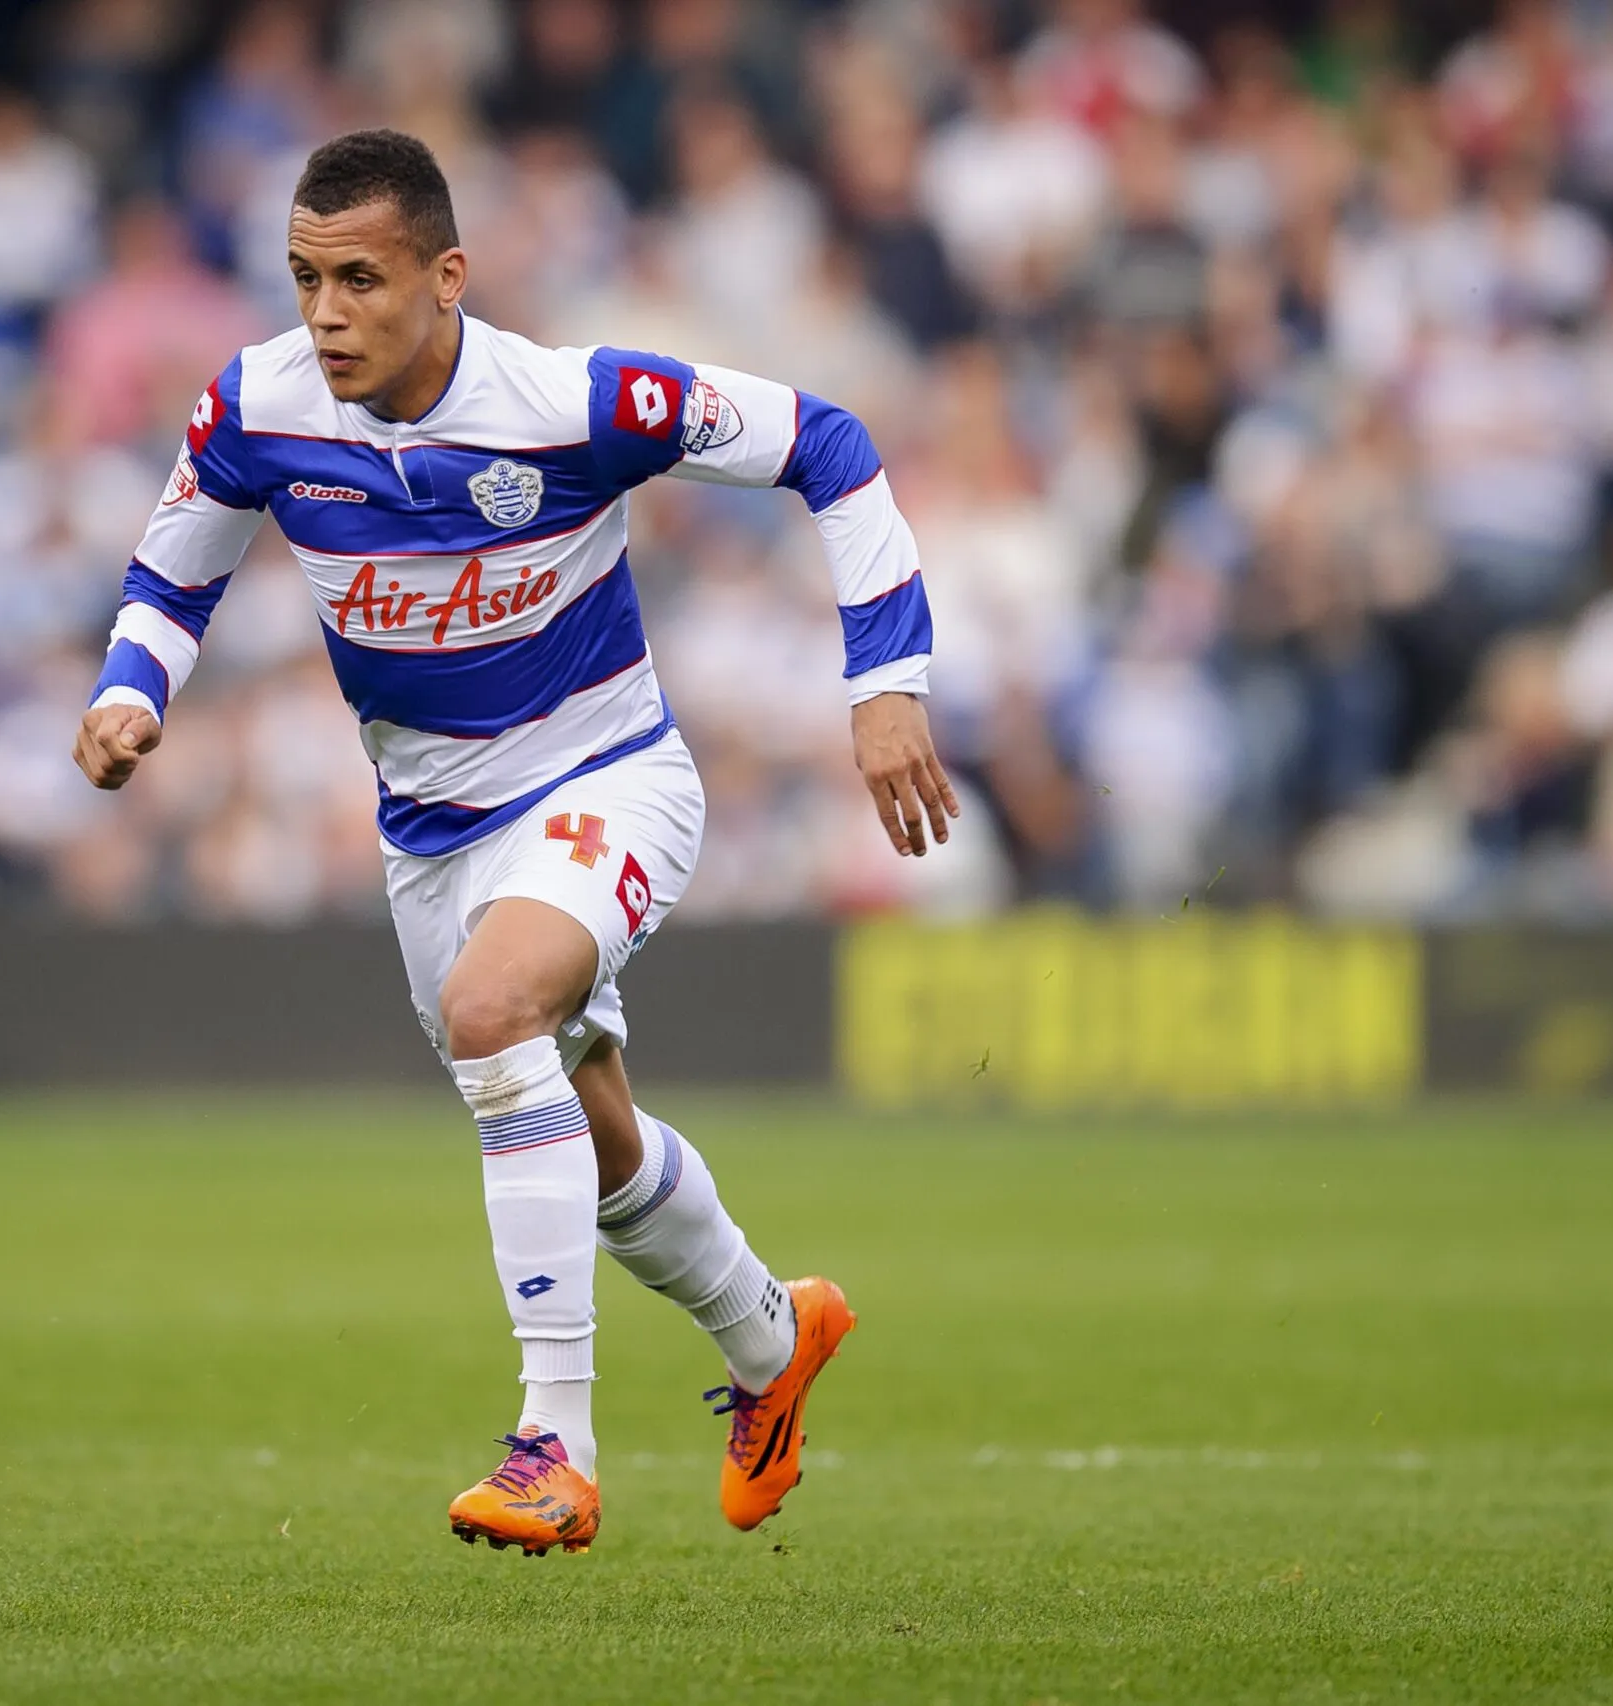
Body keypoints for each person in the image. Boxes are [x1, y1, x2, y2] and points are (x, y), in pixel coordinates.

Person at [73, 130, 955, 1555]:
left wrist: (886, 686)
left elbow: (832, 446)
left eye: (361, 279)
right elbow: (176, 563)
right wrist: (129, 685)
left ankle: (556, 1442)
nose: (326, 312)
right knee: (590, 1137)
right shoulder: (254, 403)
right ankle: (772, 1334)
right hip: (431, 836)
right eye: (305, 278)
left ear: (447, 276)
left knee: (495, 1013)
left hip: (607, 779)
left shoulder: (572, 402)